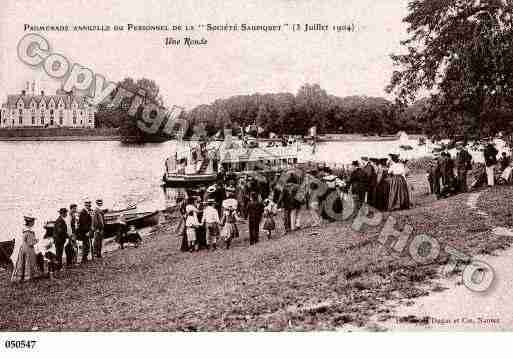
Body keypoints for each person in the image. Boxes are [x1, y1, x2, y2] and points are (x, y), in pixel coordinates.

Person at [11, 215, 41, 283]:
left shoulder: (24, 230)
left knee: (22, 262)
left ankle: (20, 276)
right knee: (29, 261)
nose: (34, 223)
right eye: (33, 221)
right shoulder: (30, 231)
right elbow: (30, 243)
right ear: (30, 222)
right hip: (28, 249)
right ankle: (28, 277)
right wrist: (37, 240)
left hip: (23, 248)